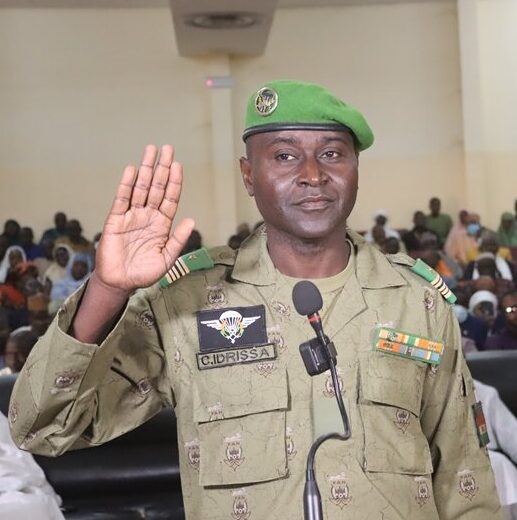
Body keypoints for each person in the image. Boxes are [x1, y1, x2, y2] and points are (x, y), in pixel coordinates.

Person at [9, 81, 501, 519]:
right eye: (285, 156)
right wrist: (109, 289)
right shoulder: (188, 304)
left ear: (355, 168)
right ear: (249, 175)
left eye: (332, 153)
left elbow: (464, 480)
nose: (312, 174)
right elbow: (43, 427)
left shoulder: (417, 302)